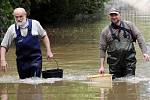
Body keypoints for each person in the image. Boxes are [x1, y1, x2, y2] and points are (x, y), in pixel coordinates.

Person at [0, 7, 53, 79]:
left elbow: (44, 36)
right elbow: (4, 46)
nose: (18, 19)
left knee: (35, 81)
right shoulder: (12, 29)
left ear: (25, 15)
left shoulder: (35, 24)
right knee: (23, 84)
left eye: (21, 16)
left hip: (36, 60)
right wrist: (3, 60)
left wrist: (49, 51)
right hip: (21, 62)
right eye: (16, 17)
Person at [98, 7, 150, 79]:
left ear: (120, 15)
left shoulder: (129, 25)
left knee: (130, 82)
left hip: (129, 61)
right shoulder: (105, 31)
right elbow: (102, 49)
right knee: (115, 84)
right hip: (114, 63)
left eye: (115, 15)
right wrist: (102, 66)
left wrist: (144, 52)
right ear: (109, 16)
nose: (114, 17)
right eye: (112, 15)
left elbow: (139, 37)